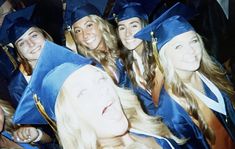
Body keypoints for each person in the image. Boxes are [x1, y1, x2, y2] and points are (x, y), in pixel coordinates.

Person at [13, 40, 184, 148]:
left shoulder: (143, 128)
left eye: (100, 80)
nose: (102, 90)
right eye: (82, 92)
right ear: (71, 119)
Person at [135, 2, 235, 149]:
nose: (190, 51)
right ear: (163, 56)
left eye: (193, 41)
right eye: (178, 46)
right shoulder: (171, 110)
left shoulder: (212, 68)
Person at [108, 0, 166, 113]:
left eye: (134, 25)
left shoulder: (162, 56)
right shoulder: (124, 65)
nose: (127, 33)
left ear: (145, 26)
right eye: (122, 28)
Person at [64, 0, 131, 88]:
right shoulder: (91, 68)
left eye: (89, 25)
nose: (85, 34)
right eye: (78, 31)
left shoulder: (124, 44)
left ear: (101, 24)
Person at [0, 5, 53, 108]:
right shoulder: (19, 87)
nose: (31, 44)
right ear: (19, 52)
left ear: (45, 35)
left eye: (34, 35)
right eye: (22, 43)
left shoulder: (67, 56)